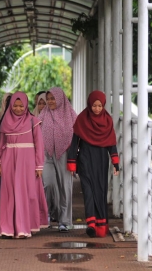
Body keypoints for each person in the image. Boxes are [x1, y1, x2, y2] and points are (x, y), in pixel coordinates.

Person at [0, 92, 48, 238]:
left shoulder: (33, 121)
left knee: (25, 193)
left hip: (27, 161)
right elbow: (1, 144)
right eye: (15, 106)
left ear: (26, 105)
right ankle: (7, 228)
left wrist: (39, 165)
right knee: (9, 193)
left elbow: (39, 144)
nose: (18, 109)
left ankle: (24, 228)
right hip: (8, 160)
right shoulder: (5, 121)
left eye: (21, 106)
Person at [67, 90, 119, 237]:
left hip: (101, 161)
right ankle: (91, 224)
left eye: (100, 106)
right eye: (94, 105)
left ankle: (101, 225)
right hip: (85, 159)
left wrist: (115, 163)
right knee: (88, 192)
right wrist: (72, 163)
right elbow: (74, 143)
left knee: (101, 192)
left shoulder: (107, 121)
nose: (97, 109)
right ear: (90, 104)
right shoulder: (82, 119)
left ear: (103, 106)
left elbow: (111, 144)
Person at [38, 87, 77, 232]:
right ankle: (48, 214)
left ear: (60, 98)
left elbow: (78, 136)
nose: (50, 101)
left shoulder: (71, 115)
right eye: (48, 99)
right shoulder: (43, 114)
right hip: (47, 153)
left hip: (65, 154)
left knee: (65, 187)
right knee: (48, 183)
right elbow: (34, 128)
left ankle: (65, 221)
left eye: (53, 98)